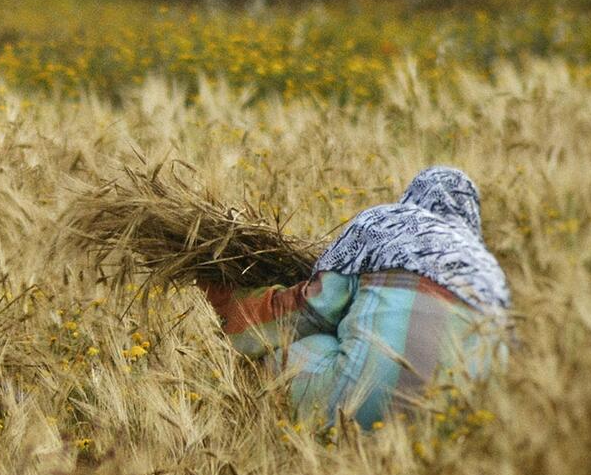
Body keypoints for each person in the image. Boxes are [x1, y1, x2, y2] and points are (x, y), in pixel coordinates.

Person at [197, 165, 511, 430]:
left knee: (293, 348)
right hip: (451, 420)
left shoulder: (385, 223)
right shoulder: (490, 271)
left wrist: (230, 314)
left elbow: (310, 311)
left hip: (357, 406)